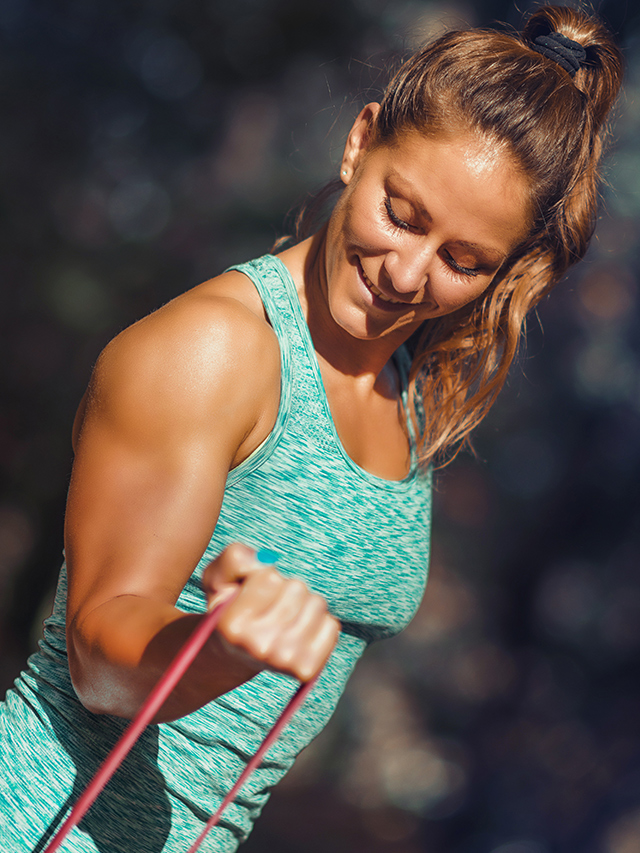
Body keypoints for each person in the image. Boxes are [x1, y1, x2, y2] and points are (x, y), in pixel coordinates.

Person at [0, 5, 623, 852]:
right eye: (402, 214)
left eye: (463, 260)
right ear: (360, 143)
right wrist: (218, 647)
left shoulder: (409, 384)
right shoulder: (215, 350)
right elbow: (99, 660)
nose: (407, 274)